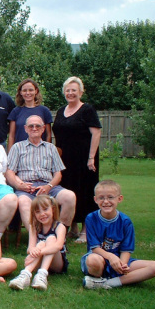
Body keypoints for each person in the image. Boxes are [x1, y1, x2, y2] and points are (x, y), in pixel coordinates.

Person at [81, 180, 155, 289]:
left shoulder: (125, 221)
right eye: (101, 198)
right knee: (93, 260)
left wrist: (122, 265)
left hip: (119, 259)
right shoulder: (91, 218)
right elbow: (94, 247)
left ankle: (109, 283)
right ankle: (99, 278)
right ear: (95, 199)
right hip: (99, 258)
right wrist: (110, 257)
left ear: (119, 199)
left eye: (110, 197)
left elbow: (126, 249)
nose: (106, 201)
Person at [52, 76, 102, 244]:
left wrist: (91, 157)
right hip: (65, 160)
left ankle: (85, 231)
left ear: (81, 92)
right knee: (68, 191)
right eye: (68, 90)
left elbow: (96, 133)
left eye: (74, 90)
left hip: (84, 159)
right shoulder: (60, 111)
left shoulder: (87, 110)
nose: (70, 93)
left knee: (85, 192)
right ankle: (71, 227)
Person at [6, 115, 76, 230]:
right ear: (25, 128)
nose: (34, 128)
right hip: (26, 188)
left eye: (38, 126)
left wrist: (49, 186)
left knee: (70, 196)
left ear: (43, 128)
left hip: (49, 187)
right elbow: (9, 172)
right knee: (23, 202)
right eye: (31, 126)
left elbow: (58, 174)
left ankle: (59, 235)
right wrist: (19, 185)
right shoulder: (17, 147)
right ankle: (36, 238)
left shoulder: (51, 148)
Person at [9, 195, 68, 291]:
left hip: (57, 263)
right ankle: (25, 275)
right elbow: (30, 248)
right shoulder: (34, 226)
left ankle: (42, 275)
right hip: (40, 261)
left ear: (52, 209)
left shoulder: (59, 226)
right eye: (38, 212)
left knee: (51, 239)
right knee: (40, 244)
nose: (42, 214)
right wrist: (34, 251)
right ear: (34, 214)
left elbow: (58, 246)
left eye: (45, 209)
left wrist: (37, 252)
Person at [7, 78, 53, 152]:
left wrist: (46, 151)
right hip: (20, 152)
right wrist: (10, 154)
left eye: (31, 90)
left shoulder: (44, 111)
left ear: (36, 91)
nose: (28, 93)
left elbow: (48, 135)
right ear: (20, 92)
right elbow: (11, 136)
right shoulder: (15, 111)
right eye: (24, 90)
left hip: (40, 152)